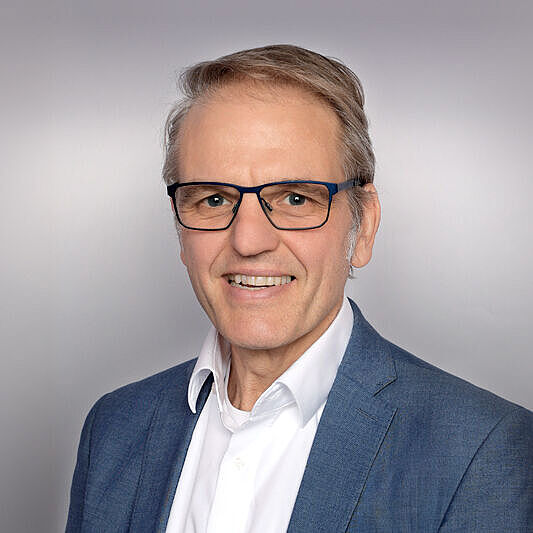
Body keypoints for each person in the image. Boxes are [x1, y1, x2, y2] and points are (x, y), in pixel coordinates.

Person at [66, 45, 532, 532]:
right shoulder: (114, 428)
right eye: (214, 199)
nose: (248, 241)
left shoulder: (483, 453)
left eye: (294, 198)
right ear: (181, 228)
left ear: (364, 226)